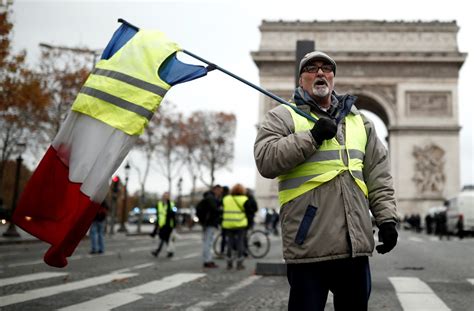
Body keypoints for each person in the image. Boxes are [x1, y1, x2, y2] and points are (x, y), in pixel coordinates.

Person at [254, 51, 399, 310]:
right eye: (311, 68)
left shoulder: (359, 122)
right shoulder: (282, 116)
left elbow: (378, 173)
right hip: (309, 243)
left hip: (354, 245)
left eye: (326, 68)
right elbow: (265, 159)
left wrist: (387, 218)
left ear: (333, 77)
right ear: (301, 80)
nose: (320, 73)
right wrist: (312, 137)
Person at [221, 183, 248, 270]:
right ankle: (239, 264)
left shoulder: (226, 199)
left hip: (228, 224)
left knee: (229, 243)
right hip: (240, 224)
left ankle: (229, 263)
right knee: (240, 243)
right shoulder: (244, 199)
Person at [196, 185, 223, 268]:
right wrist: (222, 211)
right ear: (215, 190)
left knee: (207, 242)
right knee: (208, 242)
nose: (220, 193)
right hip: (209, 223)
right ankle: (208, 261)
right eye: (219, 191)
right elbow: (214, 210)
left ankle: (207, 260)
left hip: (207, 223)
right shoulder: (211, 198)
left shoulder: (209, 197)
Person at [151, 192, 177, 258]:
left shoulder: (171, 204)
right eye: (164, 196)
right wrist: (157, 225)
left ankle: (157, 251)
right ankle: (170, 252)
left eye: (167, 196)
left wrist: (174, 225)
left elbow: (173, 215)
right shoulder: (159, 204)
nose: (165, 197)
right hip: (161, 224)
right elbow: (158, 215)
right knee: (166, 239)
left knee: (163, 237)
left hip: (168, 225)